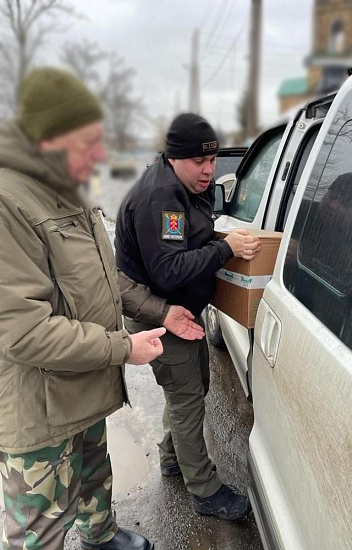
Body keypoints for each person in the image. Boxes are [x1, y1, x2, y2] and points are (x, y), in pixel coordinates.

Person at [0, 68, 205, 550]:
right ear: (44, 138)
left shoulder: (65, 189)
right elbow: (22, 332)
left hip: (84, 385)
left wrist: (162, 312)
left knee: (94, 470)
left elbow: (106, 281)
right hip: (39, 405)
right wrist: (123, 349)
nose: (99, 156)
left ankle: (100, 531)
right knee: (38, 531)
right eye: (88, 142)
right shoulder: (8, 201)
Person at [115, 112, 261, 522]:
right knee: (186, 398)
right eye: (200, 162)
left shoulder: (183, 186)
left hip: (182, 312)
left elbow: (187, 240)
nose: (209, 171)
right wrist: (226, 248)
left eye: (212, 162)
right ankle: (204, 489)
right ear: (175, 158)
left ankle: (172, 457)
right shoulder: (161, 198)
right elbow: (169, 269)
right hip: (159, 316)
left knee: (191, 389)